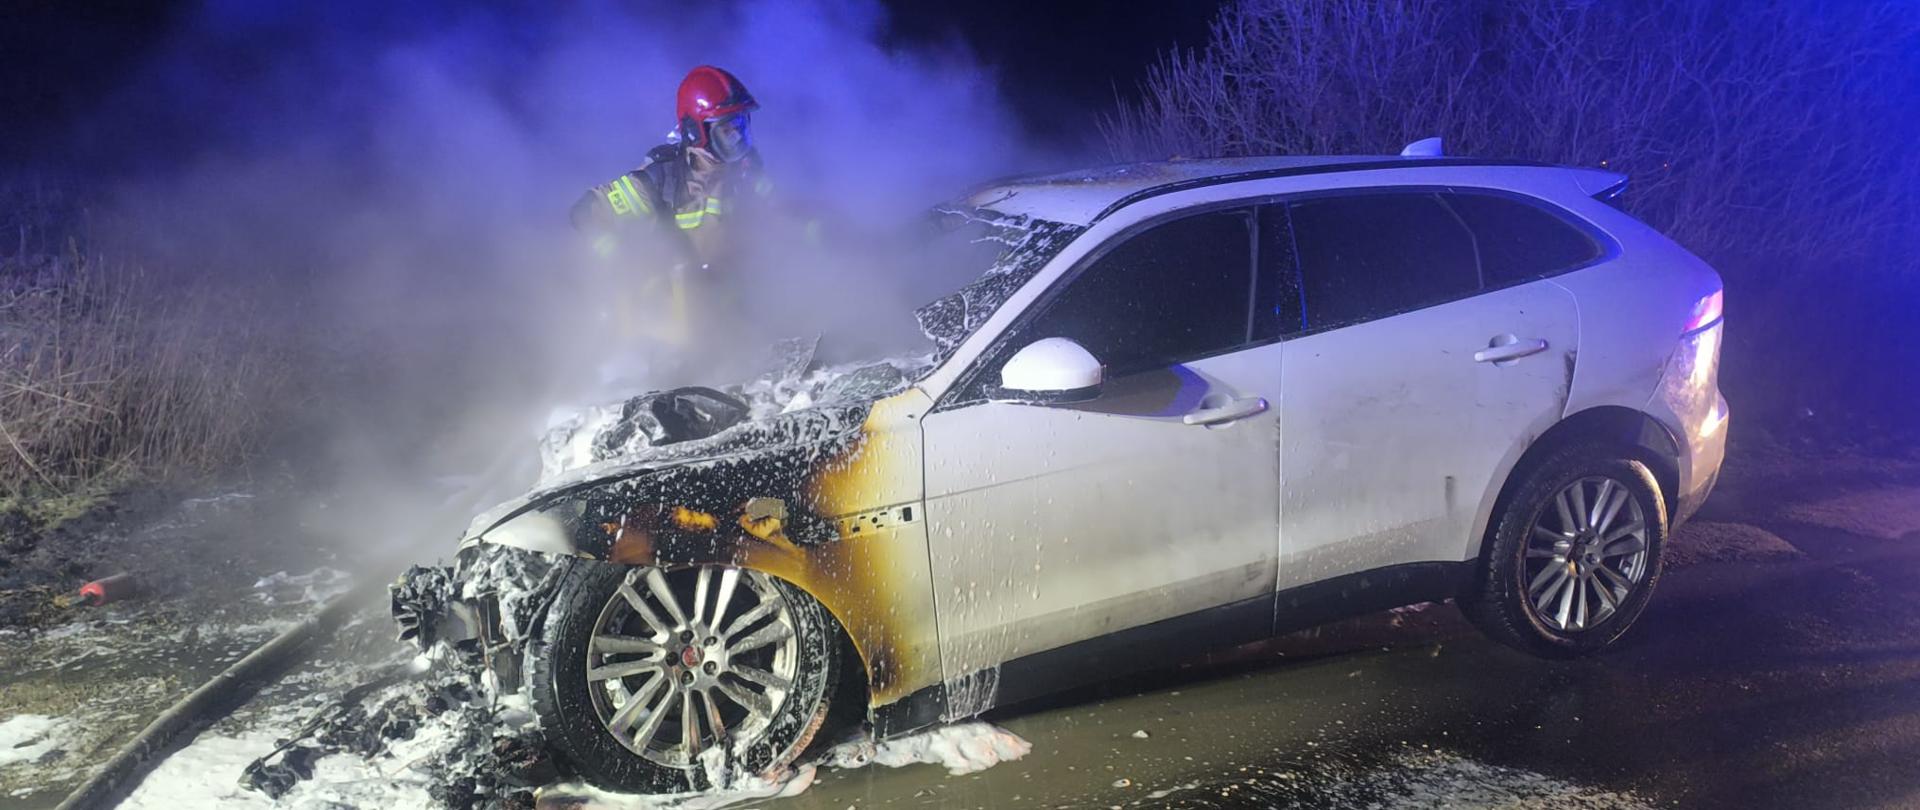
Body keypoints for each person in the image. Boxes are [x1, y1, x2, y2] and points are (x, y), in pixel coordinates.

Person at [571, 65, 770, 347]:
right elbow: (585, 212)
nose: (738, 140)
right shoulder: (661, 180)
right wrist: (613, 252)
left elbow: (774, 212)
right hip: (667, 326)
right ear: (697, 132)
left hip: (729, 313)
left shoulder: (747, 171)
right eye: (726, 131)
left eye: (741, 127)